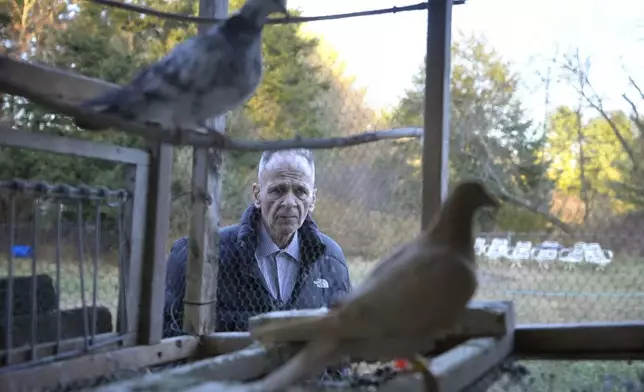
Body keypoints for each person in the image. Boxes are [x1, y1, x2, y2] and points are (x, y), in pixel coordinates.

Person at [163, 148, 352, 336]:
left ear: (312, 200)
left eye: (300, 191)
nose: (289, 202)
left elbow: (340, 343)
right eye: (277, 190)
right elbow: (172, 339)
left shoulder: (331, 260)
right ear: (257, 195)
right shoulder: (202, 255)